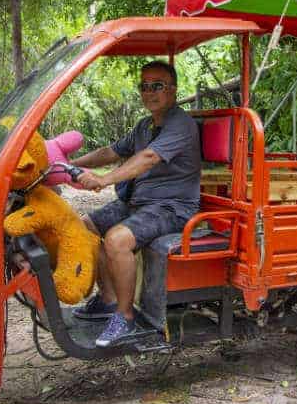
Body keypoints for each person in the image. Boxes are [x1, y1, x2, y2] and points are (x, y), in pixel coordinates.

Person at [70, 60, 201, 347]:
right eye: (144, 86)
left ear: (173, 90)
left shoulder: (181, 124)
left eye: (158, 86)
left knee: (117, 240)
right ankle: (108, 299)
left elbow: (148, 158)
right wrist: (68, 164)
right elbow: (111, 151)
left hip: (172, 207)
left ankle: (124, 317)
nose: (149, 92)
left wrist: (104, 180)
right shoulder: (144, 126)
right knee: (86, 225)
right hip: (140, 202)